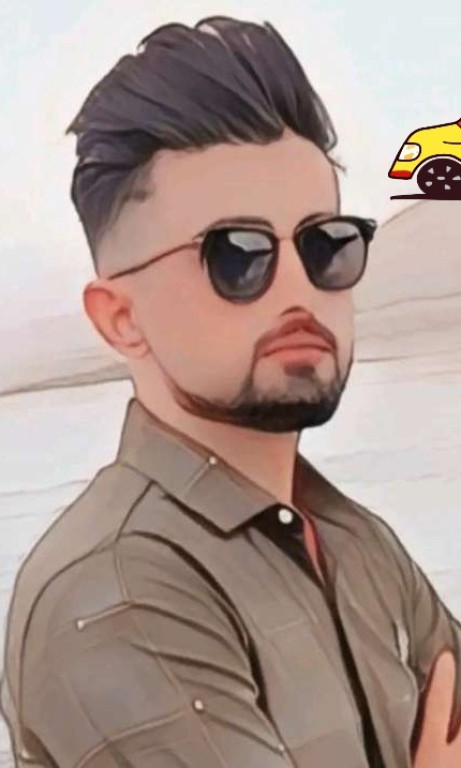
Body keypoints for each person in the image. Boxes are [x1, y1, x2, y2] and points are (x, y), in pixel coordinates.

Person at [1, 15, 460, 768]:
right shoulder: (115, 591)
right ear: (121, 319)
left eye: (325, 244)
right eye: (237, 254)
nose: (298, 290)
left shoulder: (352, 540)